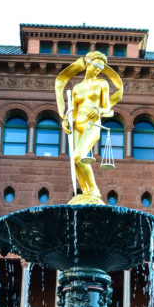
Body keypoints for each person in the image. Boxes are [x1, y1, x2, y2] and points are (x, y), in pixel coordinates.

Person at [54, 52, 123, 204]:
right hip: (77, 125)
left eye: (101, 67)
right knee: (76, 161)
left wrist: (99, 110)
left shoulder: (102, 84)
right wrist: (66, 121)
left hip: (92, 124)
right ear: (88, 63)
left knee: (79, 156)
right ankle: (86, 191)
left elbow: (107, 107)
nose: (99, 69)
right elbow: (72, 112)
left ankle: (94, 190)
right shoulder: (77, 88)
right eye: (96, 65)